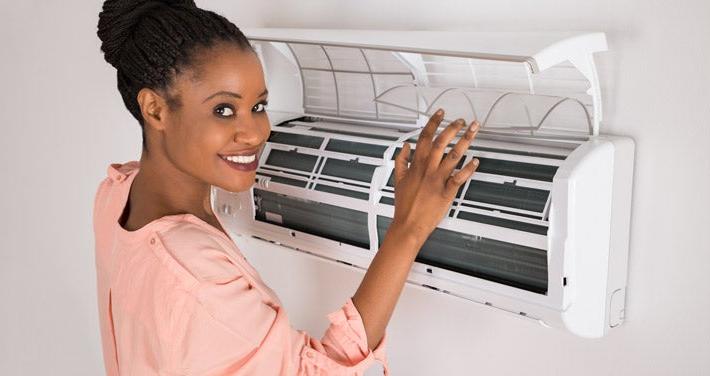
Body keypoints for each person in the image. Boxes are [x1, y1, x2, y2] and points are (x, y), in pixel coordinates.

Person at [93, 0, 481, 374]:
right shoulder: (198, 275)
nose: (256, 132)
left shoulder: (116, 193)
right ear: (155, 109)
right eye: (223, 110)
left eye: (259, 106)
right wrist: (408, 230)